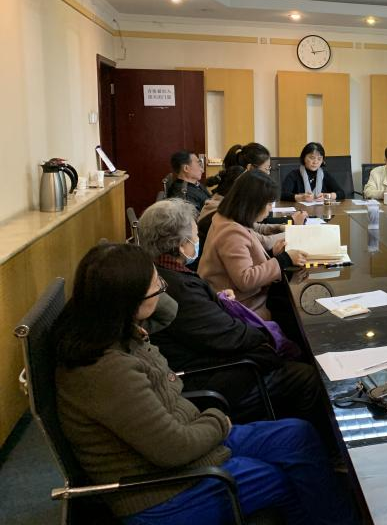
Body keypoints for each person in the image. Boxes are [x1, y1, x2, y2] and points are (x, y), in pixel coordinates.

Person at [53, 243, 354, 525]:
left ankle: (333, 515)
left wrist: (151, 291)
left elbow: (166, 313)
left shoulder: (120, 329)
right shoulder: (107, 370)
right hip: (162, 491)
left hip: (189, 442)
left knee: (298, 434)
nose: (163, 288)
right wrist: (218, 420)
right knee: (280, 479)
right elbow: (174, 449)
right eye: (157, 285)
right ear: (128, 302)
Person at [139, 199, 328, 429]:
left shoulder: (165, 272)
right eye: (195, 236)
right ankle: (305, 439)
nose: (198, 240)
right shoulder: (176, 289)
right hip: (212, 378)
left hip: (207, 358)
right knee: (308, 377)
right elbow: (227, 336)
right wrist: (265, 337)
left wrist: (218, 301)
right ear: (181, 246)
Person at [199, 171, 306, 319]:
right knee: (296, 309)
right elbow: (246, 279)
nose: (270, 208)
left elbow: (254, 244)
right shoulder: (231, 231)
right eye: (269, 204)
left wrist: (274, 254)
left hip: (242, 298)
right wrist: (284, 259)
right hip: (242, 307)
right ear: (254, 203)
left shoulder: (228, 219)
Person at [281, 142, 346, 202]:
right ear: (304, 158)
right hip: (300, 210)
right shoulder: (294, 175)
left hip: (321, 209)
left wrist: (327, 196)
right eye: (312, 158)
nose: (315, 162)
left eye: (319, 159)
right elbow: (283, 195)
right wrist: (301, 197)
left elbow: (341, 193)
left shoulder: (325, 175)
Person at [205, 142, 272, 190]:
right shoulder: (241, 192)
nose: (268, 173)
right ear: (250, 168)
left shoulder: (237, 185)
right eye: (266, 168)